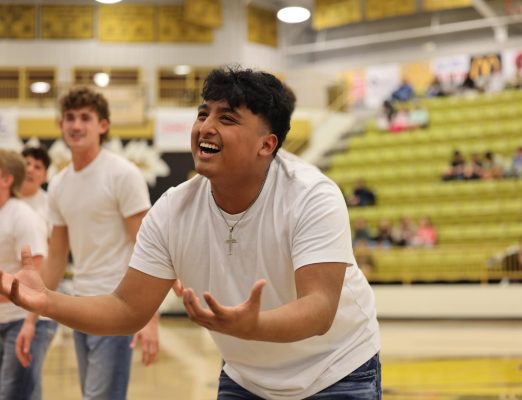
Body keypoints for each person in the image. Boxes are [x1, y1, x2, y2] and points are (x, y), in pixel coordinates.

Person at [1, 67, 381, 399]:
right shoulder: (172, 209)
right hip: (246, 377)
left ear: (267, 144)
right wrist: (46, 301)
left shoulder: (312, 195)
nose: (206, 126)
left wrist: (254, 326)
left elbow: (319, 308)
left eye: (227, 118)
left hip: (335, 371)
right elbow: (127, 308)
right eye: (203, 113)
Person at [44, 86, 159, 399]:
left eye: (85, 117)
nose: (76, 125)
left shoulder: (122, 174)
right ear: (60, 125)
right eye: (69, 118)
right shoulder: (57, 184)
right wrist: (31, 309)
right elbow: (56, 256)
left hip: (116, 305)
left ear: (103, 125)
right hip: (79, 304)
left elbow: (149, 248)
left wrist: (148, 318)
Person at [0, 149, 48, 400]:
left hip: (22, 321)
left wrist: (30, 325)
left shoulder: (23, 217)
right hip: (3, 318)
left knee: (14, 395)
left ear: (7, 180)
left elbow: (35, 282)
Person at [18, 146, 57, 400]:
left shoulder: (49, 209)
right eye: (27, 163)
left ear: (44, 176)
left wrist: (32, 318)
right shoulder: (5, 202)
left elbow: (52, 263)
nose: (30, 169)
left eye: (38, 166)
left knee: (26, 387)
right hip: (6, 308)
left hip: (37, 314)